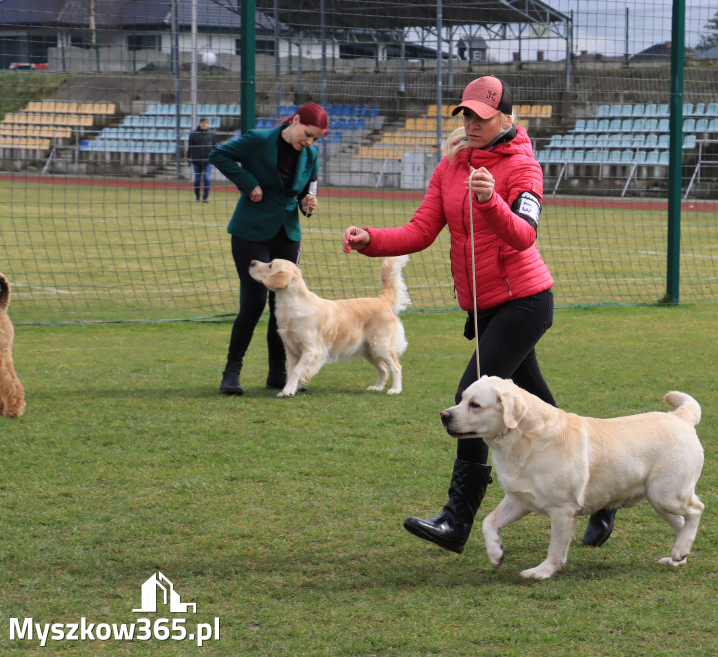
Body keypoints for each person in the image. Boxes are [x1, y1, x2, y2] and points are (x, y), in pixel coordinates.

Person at [342, 76, 617, 553]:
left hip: (525, 302)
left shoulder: (524, 168)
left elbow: (523, 236)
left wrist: (490, 201)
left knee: (470, 398)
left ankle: (457, 519)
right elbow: (422, 229)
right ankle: (605, 492)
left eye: (480, 116)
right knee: (544, 412)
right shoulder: (450, 167)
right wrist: (372, 239)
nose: (470, 123)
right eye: (465, 114)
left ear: (506, 118)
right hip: (484, 309)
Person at [209, 103, 327, 395]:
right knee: (254, 301)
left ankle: (279, 374)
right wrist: (248, 183)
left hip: (287, 234)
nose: (309, 142)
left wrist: (307, 203)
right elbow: (219, 154)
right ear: (295, 120)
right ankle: (231, 373)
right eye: (307, 134)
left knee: (284, 306)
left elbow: (305, 192)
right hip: (251, 232)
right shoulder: (259, 140)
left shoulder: (311, 155)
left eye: (315, 139)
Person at [187, 118, 218, 202]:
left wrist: (216, 157)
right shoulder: (193, 134)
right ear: (200, 123)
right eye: (202, 123)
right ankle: (197, 196)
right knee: (197, 179)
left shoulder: (212, 134)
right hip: (196, 160)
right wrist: (188, 157)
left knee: (207, 178)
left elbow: (215, 147)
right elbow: (190, 146)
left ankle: (205, 197)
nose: (204, 124)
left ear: (208, 124)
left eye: (206, 123)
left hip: (208, 160)